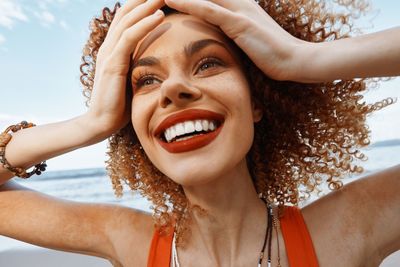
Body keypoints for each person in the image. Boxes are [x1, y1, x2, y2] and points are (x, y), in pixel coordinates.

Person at [0, 0, 399, 266]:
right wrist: (93, 123)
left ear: (258, 98)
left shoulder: (351, 225)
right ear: (131, 122)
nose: (174, 89)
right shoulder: (131, 241)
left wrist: (303, 58)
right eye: (146, 81)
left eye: (208, 64)